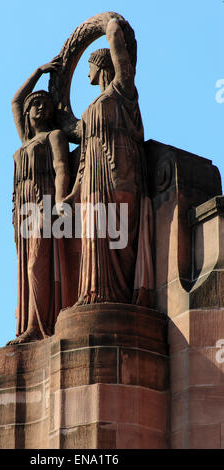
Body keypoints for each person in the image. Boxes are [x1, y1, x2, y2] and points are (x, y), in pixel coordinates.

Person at [63, 18, 154, 306]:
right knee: (94, 233)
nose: (86, 72)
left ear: (101, 66)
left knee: (119, 231)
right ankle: (94, 292)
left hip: (121, 172)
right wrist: (73, 192)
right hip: (93, 179)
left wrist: (106, 23)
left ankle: (120, 296)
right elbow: (75, 139)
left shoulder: (122, 90)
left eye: (89, 66)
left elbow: (116, 37)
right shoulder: (91, 110)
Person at [7, 60, 70, 344]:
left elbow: (61, 167)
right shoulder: (25, 142)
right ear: (29, 113)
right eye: (37, 105)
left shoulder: (54, 136)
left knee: (36, 265)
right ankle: (28, 325)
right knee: (25, 270)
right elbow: (15, 100)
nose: (41, 107)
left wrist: (59, 202)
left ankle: (37, 327)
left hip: (43, 205)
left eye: (46, 104)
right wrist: (38, 72)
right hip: (22, 211)